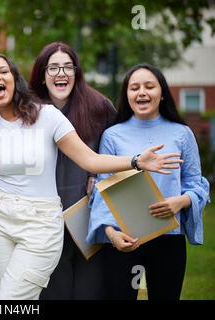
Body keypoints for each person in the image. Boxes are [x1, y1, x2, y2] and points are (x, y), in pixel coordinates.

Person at [0, 55, 182, 300]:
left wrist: (135, 161)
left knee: (11, 298)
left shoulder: (47, 117)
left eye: (2, 71)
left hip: (42, 224)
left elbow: (89, 159)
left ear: (14, 79)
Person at [86, 63, 210, 300]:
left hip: (168, 240)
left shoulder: (182, 134)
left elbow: (196, 183)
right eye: (134, 88)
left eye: (149, 86)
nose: (141, 92)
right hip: (123, 240)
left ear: (162, 93)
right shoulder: (112, 135)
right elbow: (103, 189)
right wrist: (111, 234)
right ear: (127, 95)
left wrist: (181, 202)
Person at [29, 41, 116, 299]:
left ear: (77, 73)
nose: (61, 74)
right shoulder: (28, 111)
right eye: (53, 68)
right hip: (43, 220)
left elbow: (116, 149)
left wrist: (97, 176)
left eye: (68, 67)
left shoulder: (99, 107)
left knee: (88, 291)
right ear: (42, 75)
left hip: (88, 217)